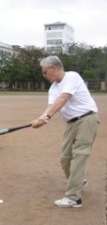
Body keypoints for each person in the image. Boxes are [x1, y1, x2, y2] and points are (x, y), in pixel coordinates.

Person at [31, 55, 99, 208]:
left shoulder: (72, 77)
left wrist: (45, 117)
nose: (44, 75)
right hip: (71, 123)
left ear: (53, 69)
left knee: (79, 155)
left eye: (45, 72)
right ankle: (79, 181)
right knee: (65, 158)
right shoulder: (53, 87)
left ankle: (74, 197)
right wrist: (40, 119)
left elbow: (63, 99)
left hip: (86, 118)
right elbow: (51, 107)